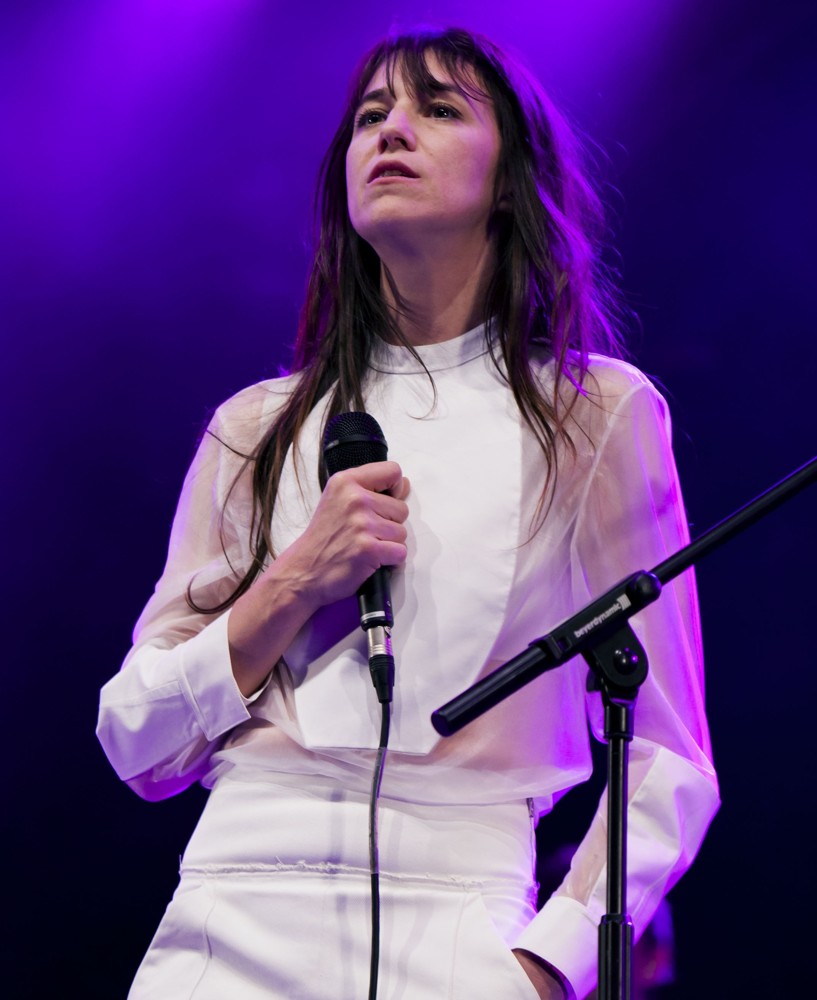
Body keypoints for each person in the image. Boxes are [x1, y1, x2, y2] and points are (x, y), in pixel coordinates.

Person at [97, 25, 719, 1000]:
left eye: (436, 110)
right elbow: (136, 737)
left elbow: (670, 756)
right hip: (226, 921)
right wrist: (296, 579)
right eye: (370, 115)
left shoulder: (598, 415)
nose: (391, 131)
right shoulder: (253, 427)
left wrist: (547, 963)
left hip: (461, 922)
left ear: (511, 179)